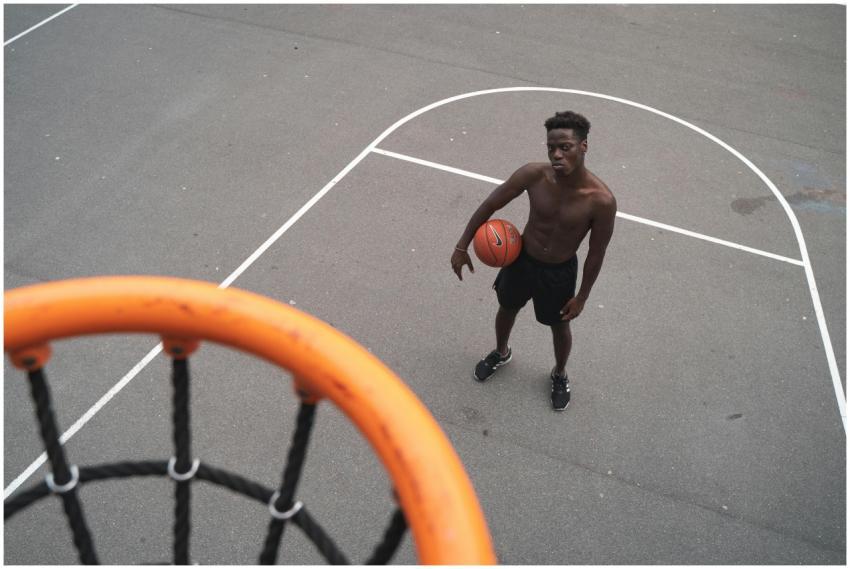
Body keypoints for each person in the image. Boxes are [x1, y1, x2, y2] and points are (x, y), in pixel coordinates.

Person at [451, 111, 616, 411]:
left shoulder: (601, 200)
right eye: (551, 147)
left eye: (565, 147)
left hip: (559, 272)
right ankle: (501, 352)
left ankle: (559, 373)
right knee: (507, 308)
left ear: (583, 146)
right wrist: (462, 245)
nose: (556, 154)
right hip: (521, 261)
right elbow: (490, 204)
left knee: (560, 326)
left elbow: (597, 252)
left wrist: (582, 296)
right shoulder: (533, 175)